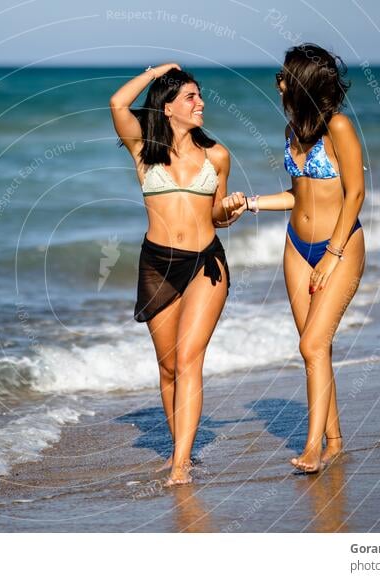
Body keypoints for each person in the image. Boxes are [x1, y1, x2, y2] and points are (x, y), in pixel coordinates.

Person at [225, 44, 366, 473]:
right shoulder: (292, 131)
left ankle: (312, 449)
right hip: (296, 247)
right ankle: (335, 440)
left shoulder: (338, 127)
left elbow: (355, 194)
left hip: (339, 247)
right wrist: (248, 203)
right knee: (314, 350)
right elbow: (296, 195)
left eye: (285, 75)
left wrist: (332, 255)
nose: (279, 82)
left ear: (302, 81)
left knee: (310, 344)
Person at [109, 63, 242, 486]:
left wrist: (230, 209)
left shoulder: (216, 155)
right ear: (168, 108)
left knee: (189, 360)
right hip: (158, 266)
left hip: (206, 262)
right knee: (168, 368)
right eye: (190, 97)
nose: (200, 103)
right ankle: (177, 449)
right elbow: (117, 102)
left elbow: (217, 216)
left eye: (200, 96)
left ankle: (182, 464)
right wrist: (154, 73)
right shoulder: (142, 149)